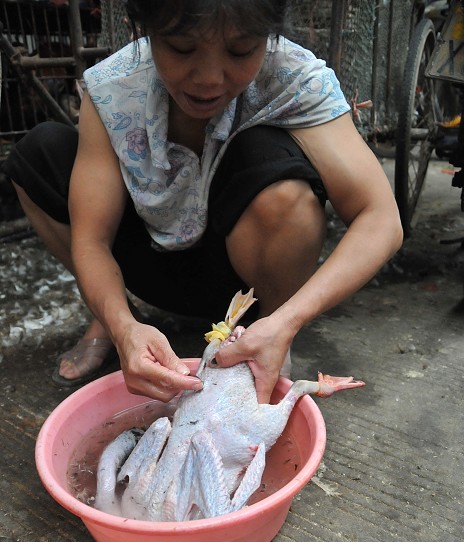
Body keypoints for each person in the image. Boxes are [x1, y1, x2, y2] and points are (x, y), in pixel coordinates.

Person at [4, 0, 403, 405]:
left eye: (241, 50)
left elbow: (381, 218)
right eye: (181, 47)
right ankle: (112, 320)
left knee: (276, 175)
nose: (209, 79)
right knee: (38, 154)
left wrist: (288, 320)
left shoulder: (295, 78)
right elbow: (92, 241)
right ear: (144, 31)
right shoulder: (112, 87)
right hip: (147, 264)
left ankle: (268, 336)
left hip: (244, 284)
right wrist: (123, 326)